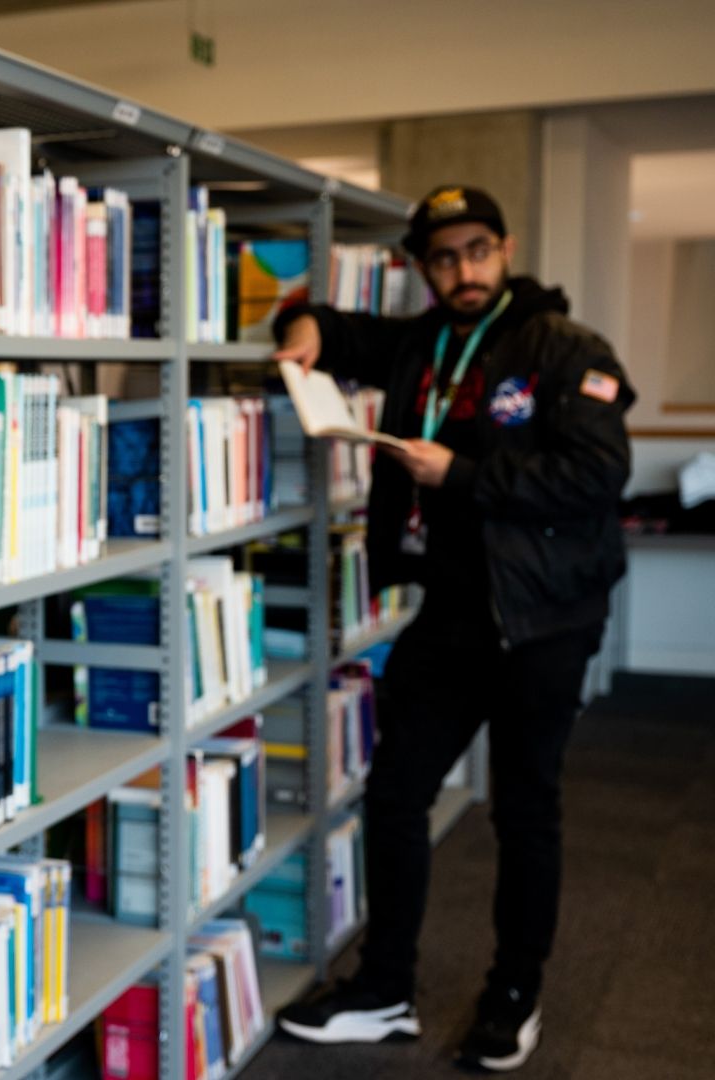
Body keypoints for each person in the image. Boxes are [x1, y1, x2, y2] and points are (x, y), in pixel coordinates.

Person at [271, 186, 633, 1071]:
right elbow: (346, 336)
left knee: (524, 808)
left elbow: (597, 473)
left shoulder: (565, 348)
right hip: (452, 612)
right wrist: (309, 323)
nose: (463, 270)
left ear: (505, 249)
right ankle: (386, 986)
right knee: (395, 794)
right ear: (423, 267)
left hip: (545, 619)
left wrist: (462, 476)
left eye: (477, 251)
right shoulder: (424, 342)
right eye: (443, 257)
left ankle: (515, 993)